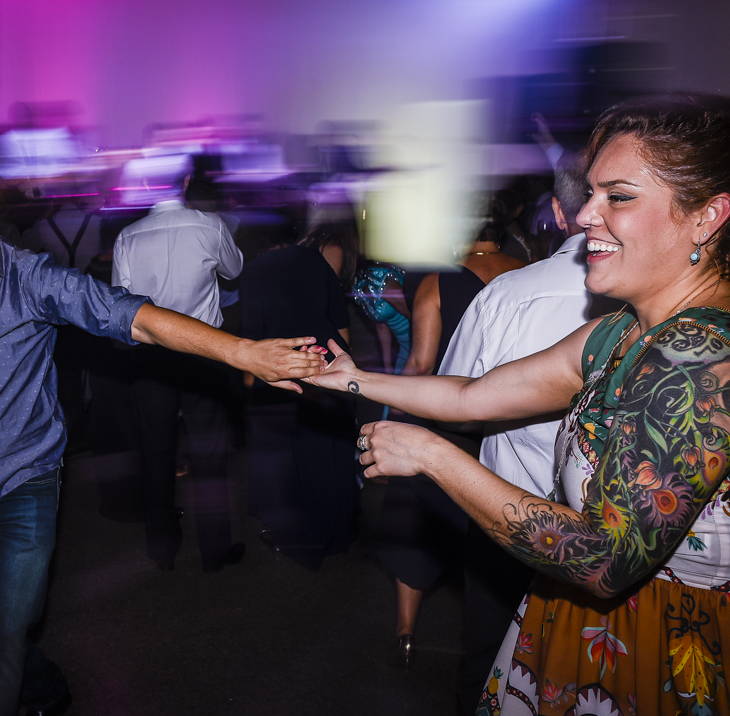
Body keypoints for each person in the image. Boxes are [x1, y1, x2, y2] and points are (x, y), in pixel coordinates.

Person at [0, 156, 324, 716]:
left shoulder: (32, 279)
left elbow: (135, 319)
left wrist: (242, 353)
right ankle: (47, 690)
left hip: (26, 483)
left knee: (4, 633)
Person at [305, 96, 730, 716]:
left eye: (617, 196)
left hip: (668, 661)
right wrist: (352, 377)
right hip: (583, 630)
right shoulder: (621, 332)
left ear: (707, 215)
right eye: (591, 194)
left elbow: (604, 557)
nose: (586, 215)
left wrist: (434, 457)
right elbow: (476, 395)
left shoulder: (701, 361)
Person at [438, 153, 616, 716]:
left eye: (617, 197)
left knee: (491, 661)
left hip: (510, 520)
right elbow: (465, 400)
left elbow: (460, 394)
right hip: (575, 536)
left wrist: (428, 453)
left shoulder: (509, 294)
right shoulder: (627, 318)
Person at [374, 202, 526, 669]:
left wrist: (391, 416)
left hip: (446, 423)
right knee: (497, 523)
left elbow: (419, 365)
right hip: (512, 422)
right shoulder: (529, 272)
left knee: (413, 519)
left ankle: (405, 631)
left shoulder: (437, 282)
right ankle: (500, 643)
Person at [113, 172, 247, 573]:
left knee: (156, 452)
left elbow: (122, 302)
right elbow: (235, 271)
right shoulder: (208, 225)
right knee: (208, 454)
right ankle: (214, 552)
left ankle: (163, 549)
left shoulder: (127, 236)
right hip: (203, 352)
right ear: (185, 181)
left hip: (151, 353)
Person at [240, 217, 358, 567]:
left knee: (288, 459)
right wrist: (342, 366)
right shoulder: (315, 260)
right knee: (330, 450)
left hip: (282, 363)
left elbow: (251, 337)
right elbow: (341, 326)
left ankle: (302, 542)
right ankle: (339, 533)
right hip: (326, 357)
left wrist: (250, 384)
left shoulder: (255, 270)